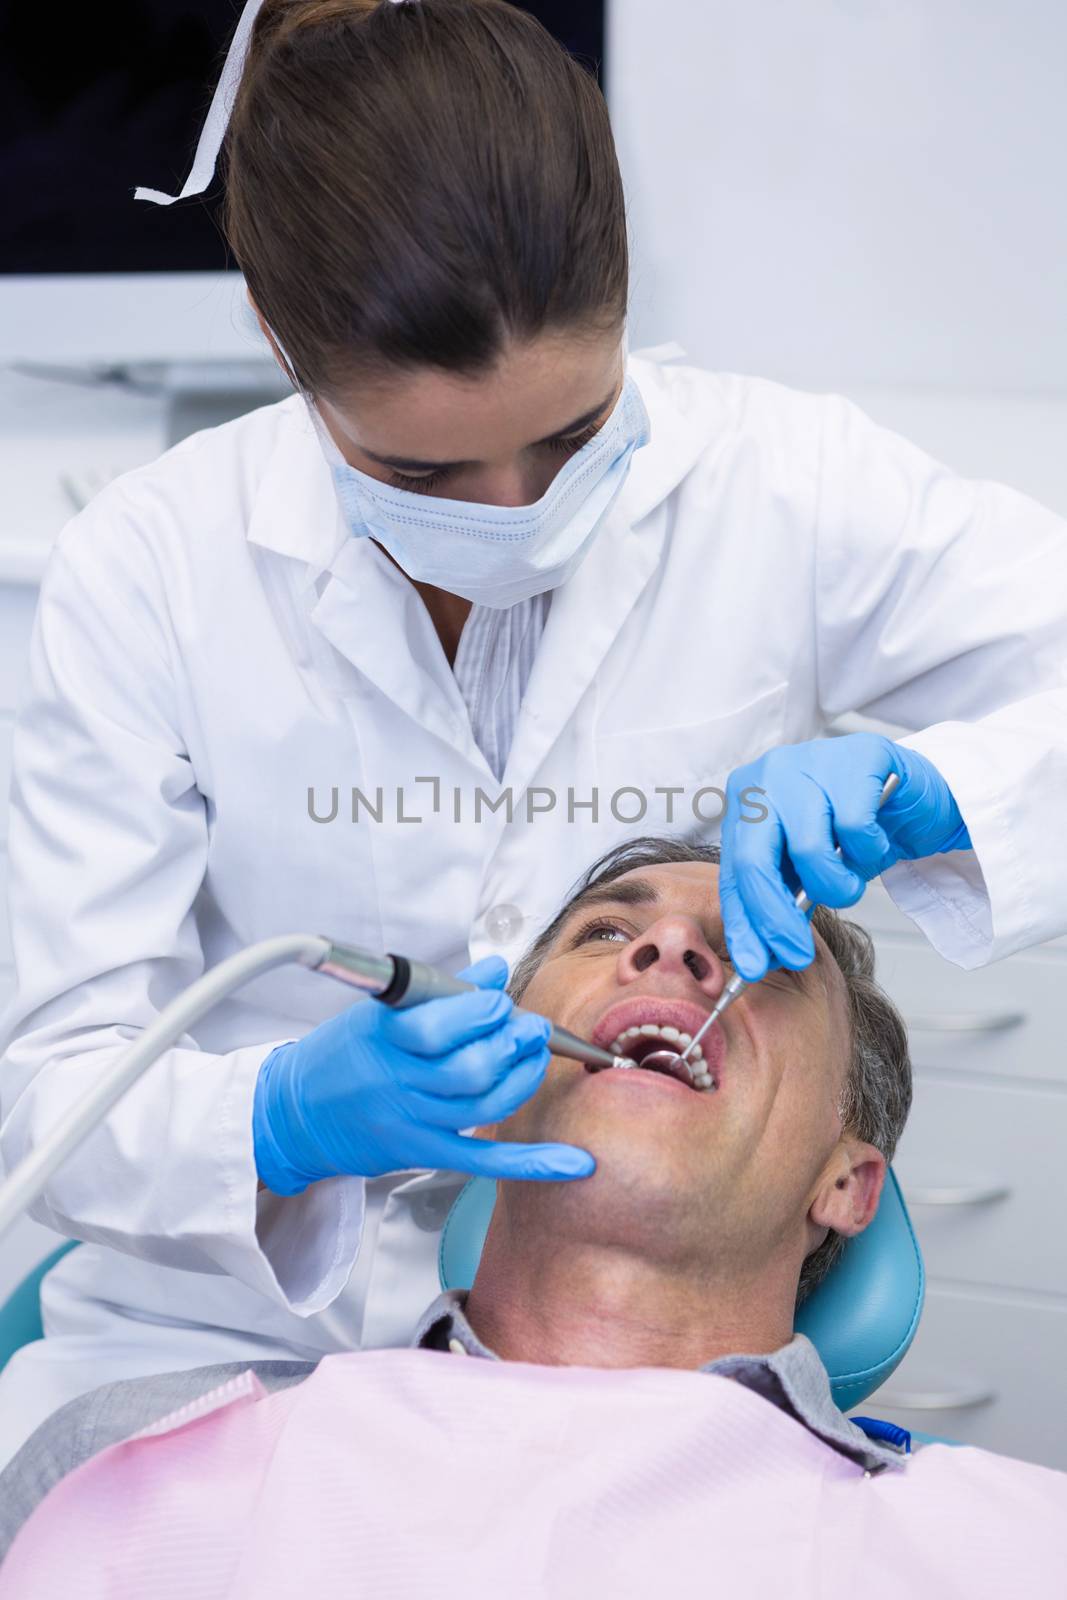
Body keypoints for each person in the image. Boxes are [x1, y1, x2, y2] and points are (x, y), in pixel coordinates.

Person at [1, 0, 1066, 1470]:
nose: (515, 517)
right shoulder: (149, 573)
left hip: (645, 1395)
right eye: (423, 466)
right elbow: (46, 1091)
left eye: (570, 441)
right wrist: (283, 1120)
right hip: (225, 1356)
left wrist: (951, 789)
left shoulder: (783, 482)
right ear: (274, 335)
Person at [0, 839, 1063, 1596]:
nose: (668, 953)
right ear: (489, 1090)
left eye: (761, 955)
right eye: (608, 930)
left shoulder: (1014, 1546)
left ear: (846, 1184)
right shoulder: (130, 1464)